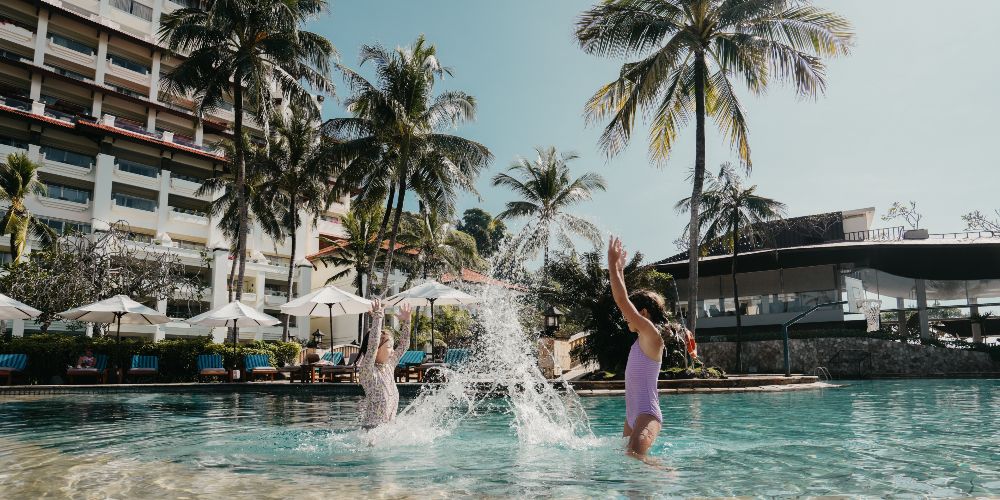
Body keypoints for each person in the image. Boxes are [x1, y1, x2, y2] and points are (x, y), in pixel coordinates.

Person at [608, 236, 666, 458]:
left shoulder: (652, 336)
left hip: (646, 415)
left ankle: (674, 479)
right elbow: (625, 301)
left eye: (630, 315)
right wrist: (620, 270)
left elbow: (623, 301)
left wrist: (612, 266)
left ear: (643, 314)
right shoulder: (640, 340)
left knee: (637, 460)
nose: (625, 318)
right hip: (632, 416)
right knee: (630, 468)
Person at [358, 298, 412, 430]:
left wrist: (407, 321)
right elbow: (372, 344)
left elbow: (404, 346)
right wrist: (378, 316)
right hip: (371, 432)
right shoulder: (368, 372)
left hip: (387, 432)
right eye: (389, 347)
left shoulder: (388, 366)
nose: (393, 351)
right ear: (377, 349)